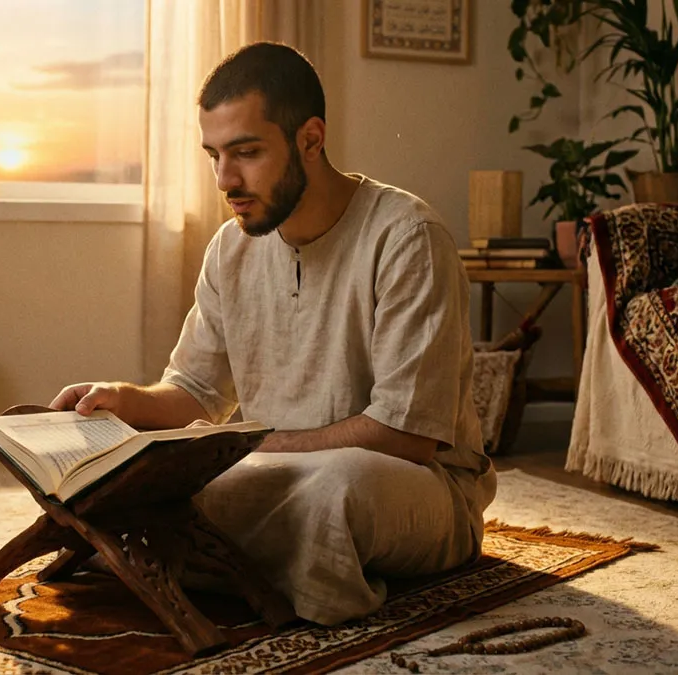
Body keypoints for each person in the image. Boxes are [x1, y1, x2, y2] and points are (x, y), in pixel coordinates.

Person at [49, 41, 496, 625]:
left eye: (246, 152)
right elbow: (196, 391)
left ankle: (171, 560)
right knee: (108, 483)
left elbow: (405, 435)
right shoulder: (230, 247)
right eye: (213, 155)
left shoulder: (407, 237)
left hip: (415, 485)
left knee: (329, 493)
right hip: (271, 468)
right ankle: (209, 559)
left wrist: (244, 450)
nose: (224, 179)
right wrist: (124, 400)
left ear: (311, 140)